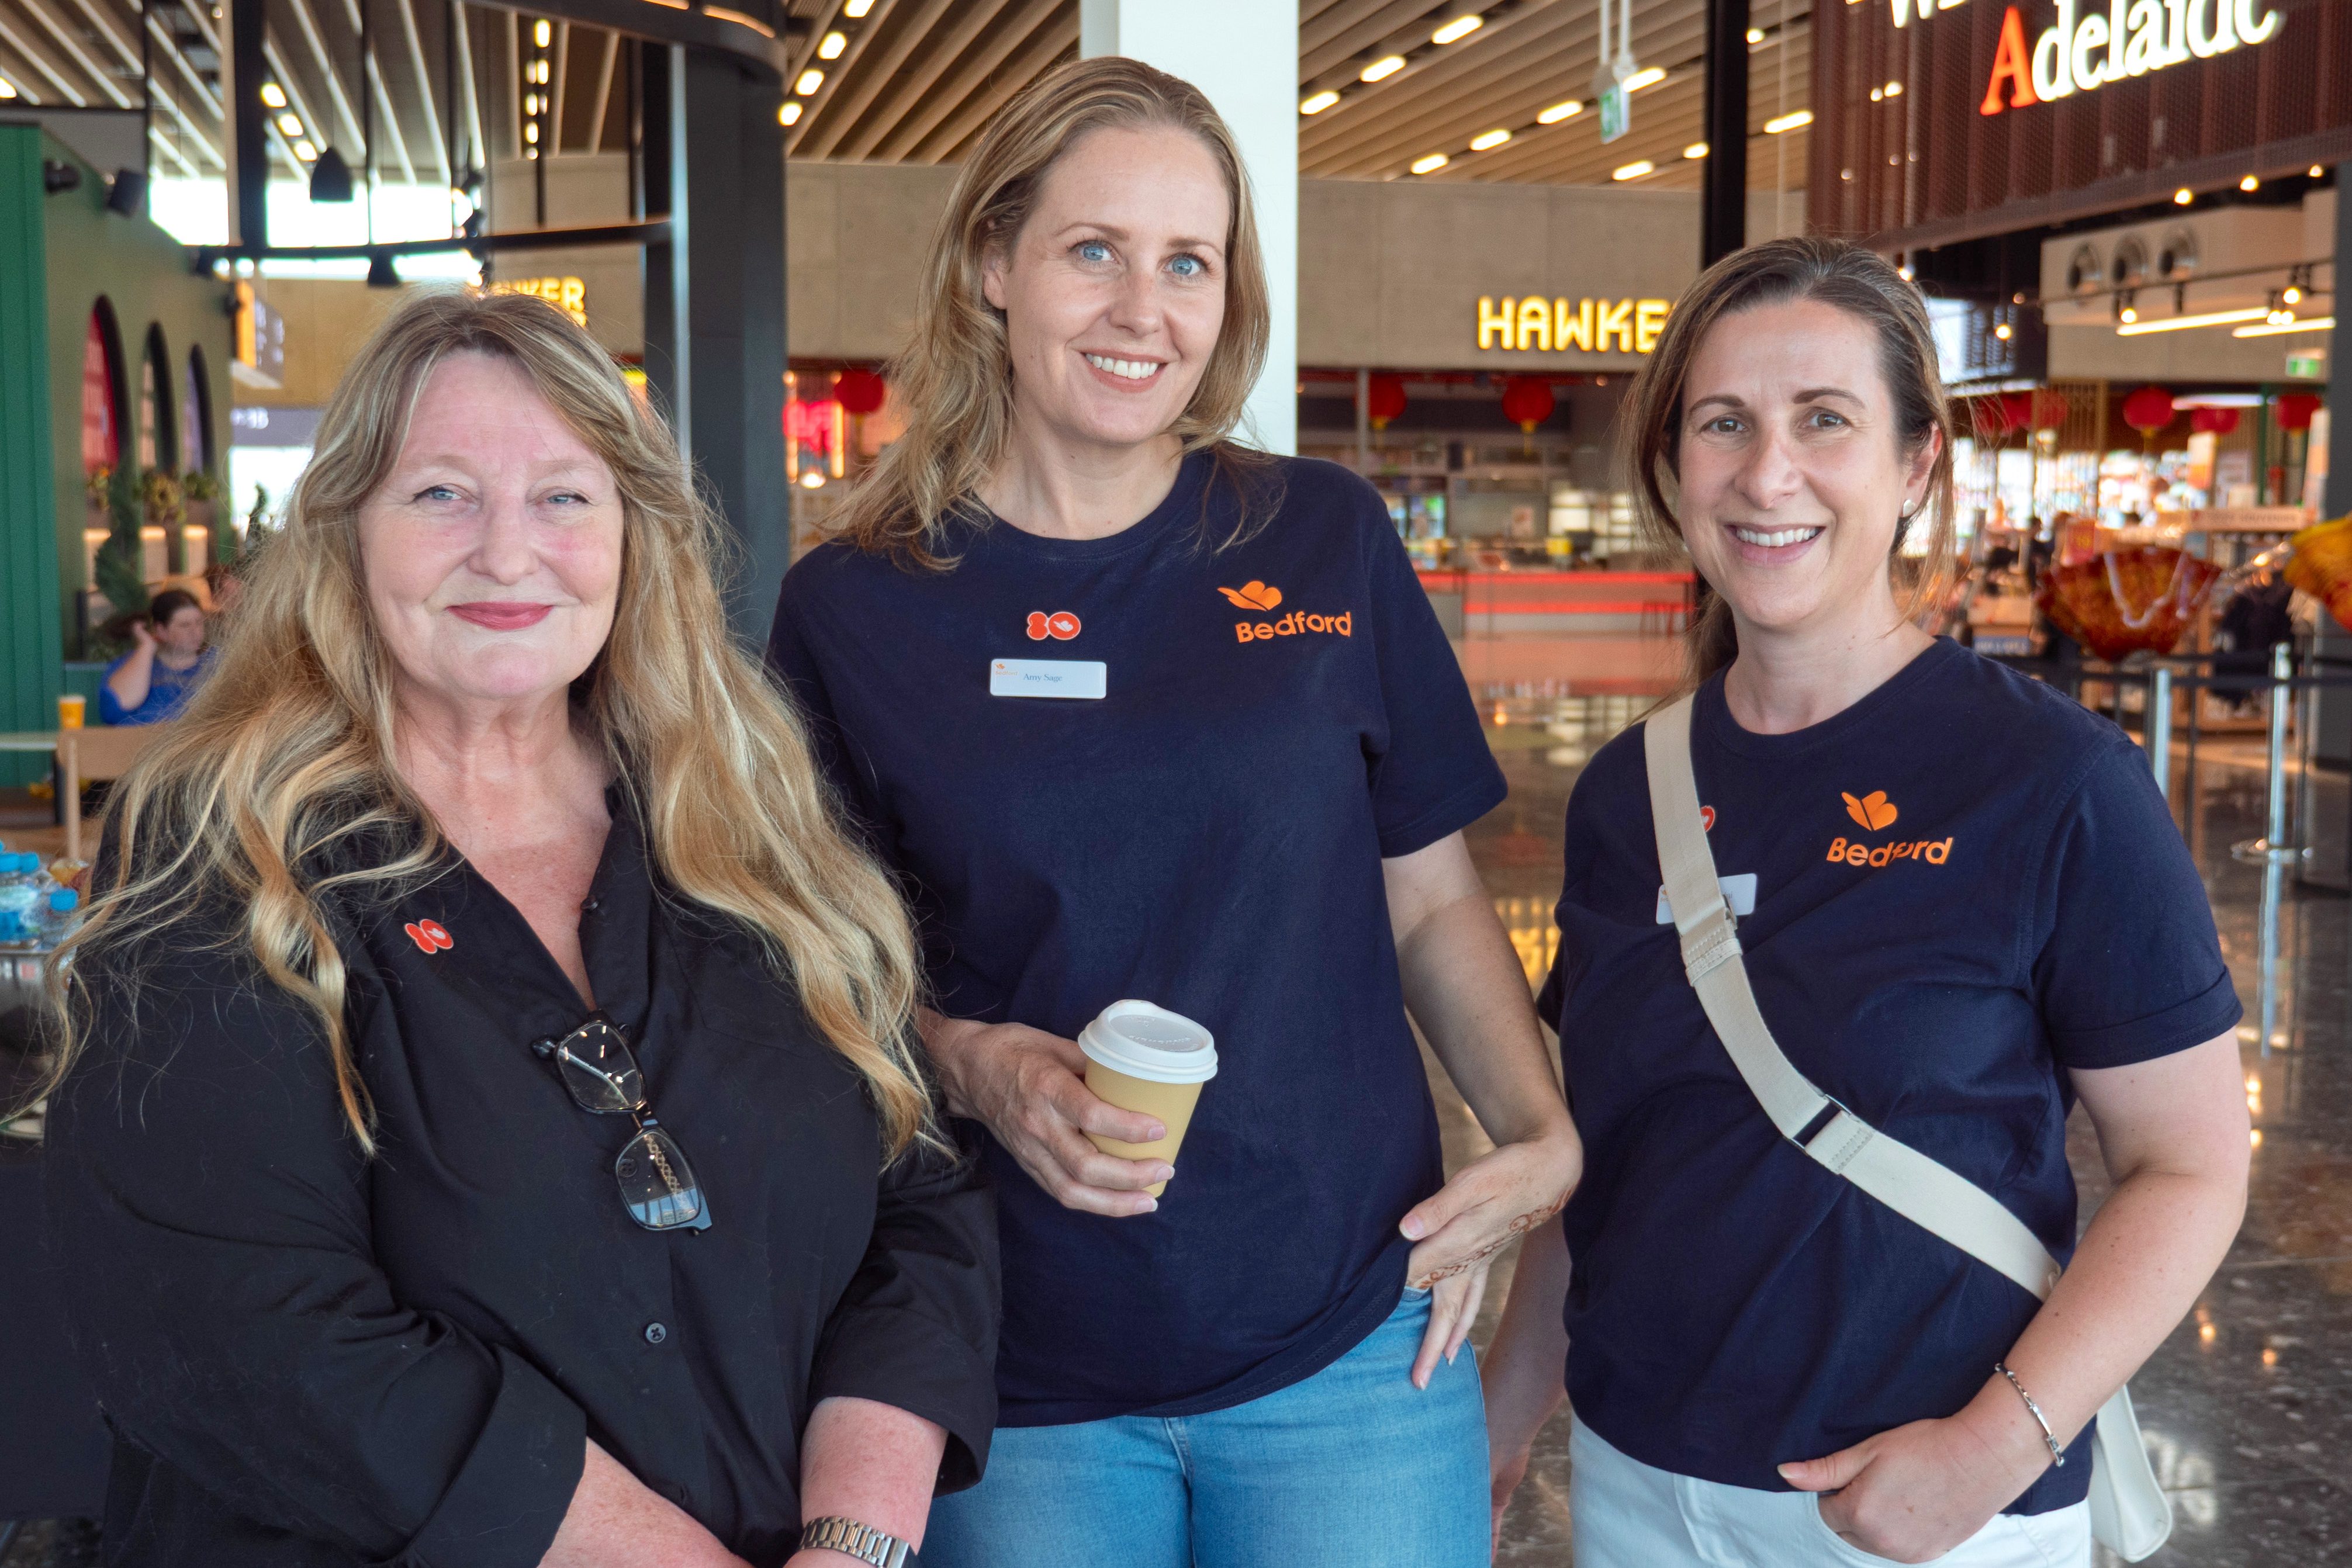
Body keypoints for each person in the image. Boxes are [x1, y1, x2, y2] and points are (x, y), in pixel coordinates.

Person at [767, 56, 1580, 1568]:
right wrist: (974, 1063)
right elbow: (813, 975)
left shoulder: (1323, 540)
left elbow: (1431, 894)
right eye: (1095, 251)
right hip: (1015, 1364)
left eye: (1187, 262)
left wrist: (1540, 1130)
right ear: (993, 264)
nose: (1145, 310)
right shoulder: (858, 606)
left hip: (1349, 1335)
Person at [43, 290, 999, 1568]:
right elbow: (246, 1332)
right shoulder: (221, 850)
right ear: (346, 534)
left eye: (563, 496)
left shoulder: (744, 824)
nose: (508, 552)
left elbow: (918, 1200)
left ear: (630, 537)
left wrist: (851, 1543)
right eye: (441, 494)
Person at [1483, 237, 2250, 1567]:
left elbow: (2188, 1165)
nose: (1764, 473)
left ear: (1915, 465)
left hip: (1926, 1506)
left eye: (1821, 421)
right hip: (1631, 1485)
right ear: (1672, 467)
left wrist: (1993, 1447)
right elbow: (1604, 1162)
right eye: (1721, 423)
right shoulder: (1626, 793)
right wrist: (1496, 1431)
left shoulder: (2048, 779)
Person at [99, 587, 213, 724]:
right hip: (137, 742)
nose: (195, 632)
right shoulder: (136, 662)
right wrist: (147, 646)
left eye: (199, 623)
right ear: (161, 630)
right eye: (185, 625)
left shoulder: (216, 662)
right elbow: (114, 710)